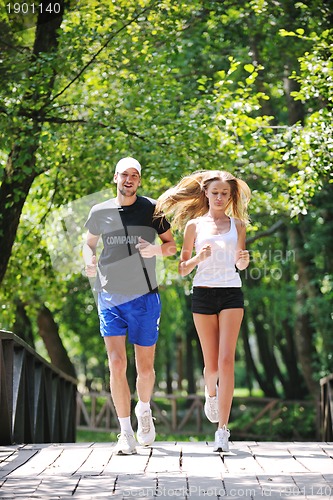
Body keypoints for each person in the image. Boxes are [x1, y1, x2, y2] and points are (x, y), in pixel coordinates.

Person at [83, 157, 176, 455]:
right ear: (115, 177)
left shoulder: (152, 209)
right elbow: (89, 243)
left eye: (134, 175)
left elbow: (172, 245)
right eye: (125, 174)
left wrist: (155, 249)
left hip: (145, 296)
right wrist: (88, 258)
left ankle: (144, 410)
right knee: (117, 364)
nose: (129, 179)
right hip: (110, 296)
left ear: (139, 181)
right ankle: (125, 432)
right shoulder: (99, 211)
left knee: (145, 369)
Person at [156, 170, 251, 452]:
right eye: (215, 193)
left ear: (231, 196)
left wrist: (243, 260)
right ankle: (211, 392)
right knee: (211, 367)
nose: (220, 197)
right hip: (203, 295)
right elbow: (182, 267)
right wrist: (200, 257)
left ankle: (223, 430)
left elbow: (240, 263)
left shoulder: (239, 225)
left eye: (225, 193)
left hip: (231, 293)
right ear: (206, 194)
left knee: (226, 362)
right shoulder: (194, 226)